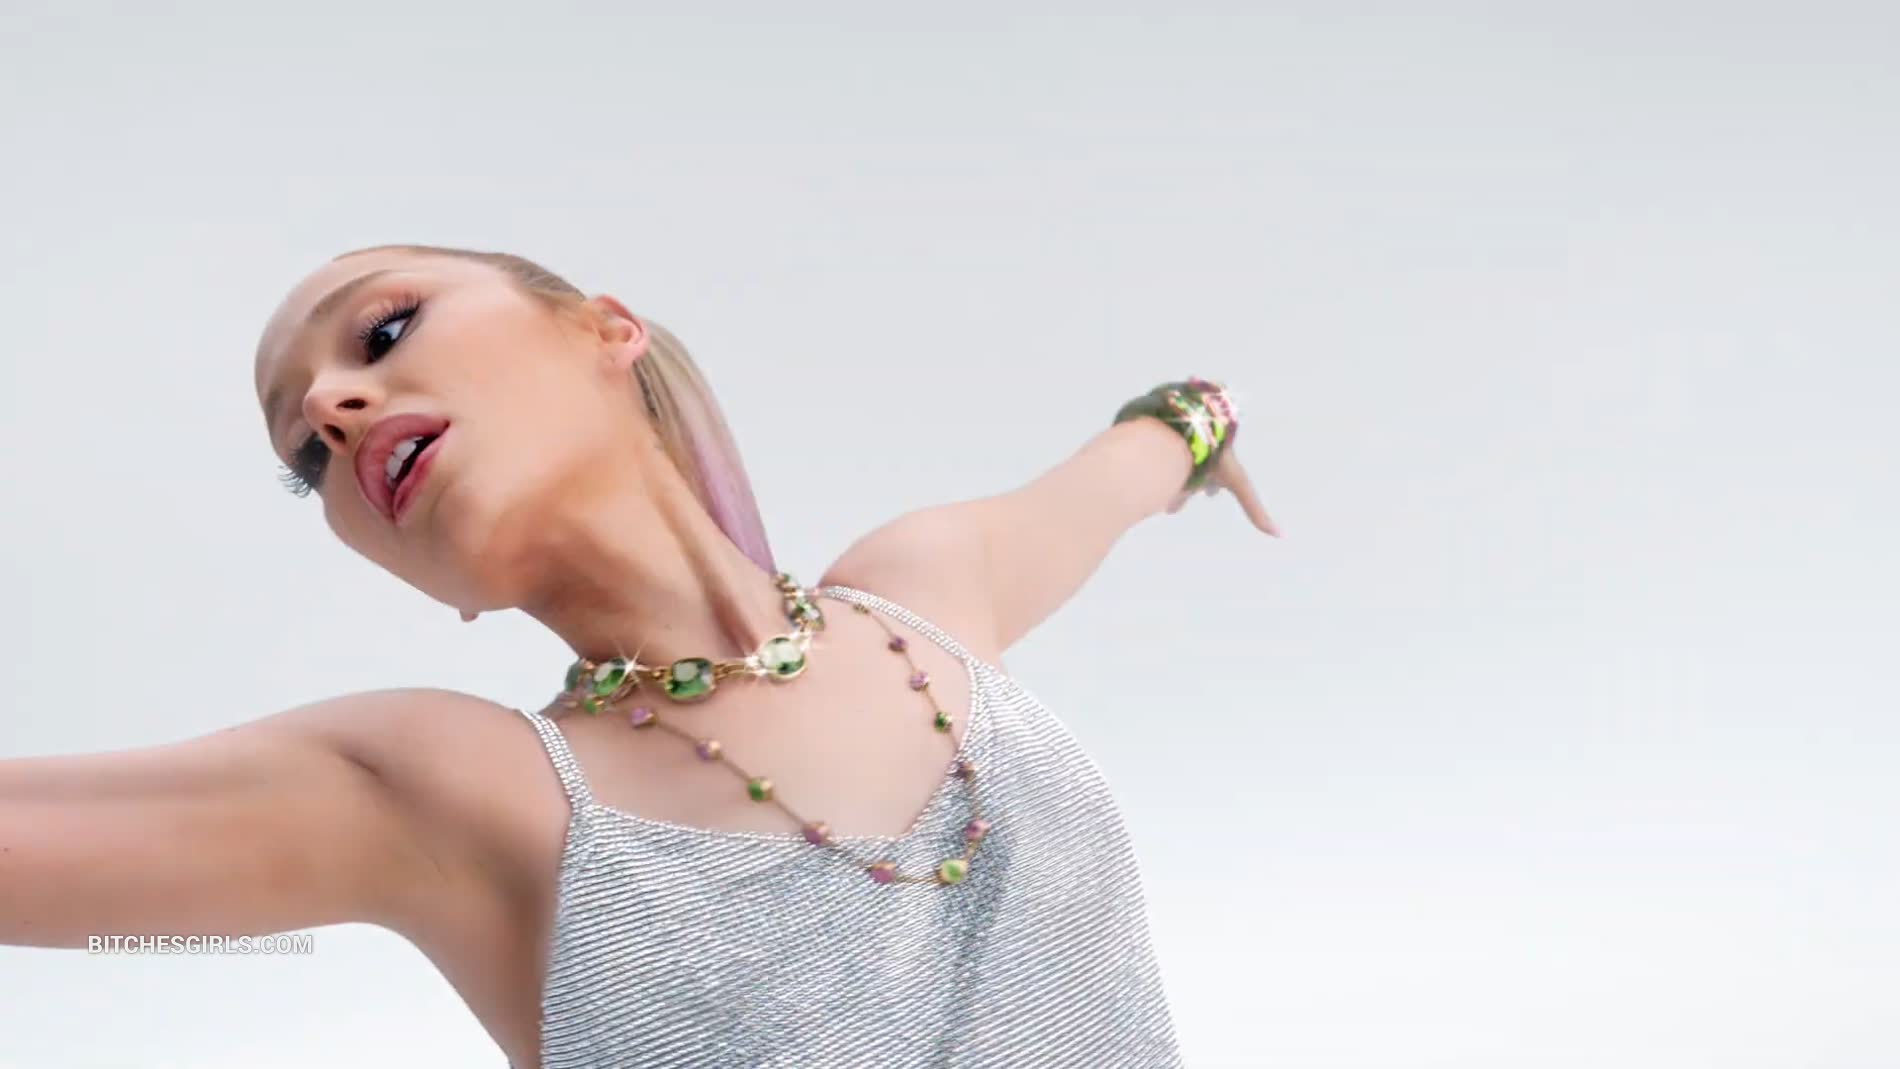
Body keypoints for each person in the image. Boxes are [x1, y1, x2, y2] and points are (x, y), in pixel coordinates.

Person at [0, 242, 1278, 1068]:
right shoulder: (456, 795)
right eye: (303, 460)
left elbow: (1147, 447)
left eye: (380, 334)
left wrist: (1200, 426)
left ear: (605, 328)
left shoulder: (925, 592)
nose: (330, 413)